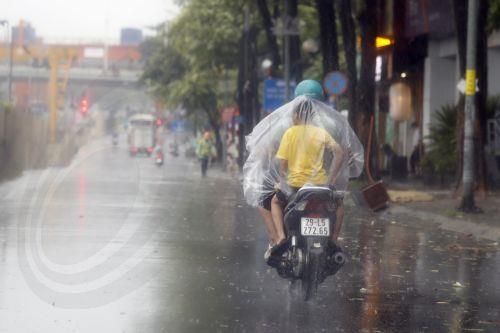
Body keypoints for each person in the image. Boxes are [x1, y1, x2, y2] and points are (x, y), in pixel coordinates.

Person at [269, 86, 345, 258]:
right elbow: (339, 152)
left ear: (296, 115)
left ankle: (281, 237)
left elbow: (283, 163)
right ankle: (333, 239)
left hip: (296, 186)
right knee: (339, 205)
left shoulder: (290, 133)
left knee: (275, 202)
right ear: (312, 115)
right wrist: (332, 177)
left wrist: (281, 182)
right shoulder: (320, 132)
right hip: (320, 185)